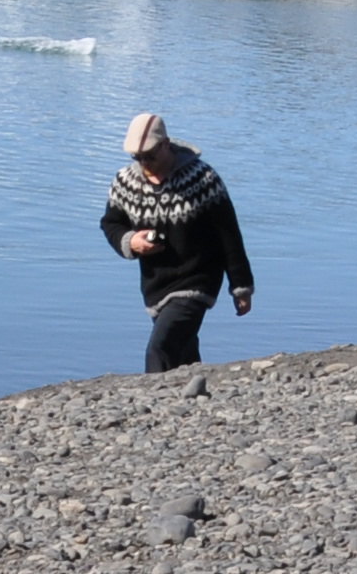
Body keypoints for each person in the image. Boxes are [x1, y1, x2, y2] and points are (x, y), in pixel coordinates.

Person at [100, 110, 253, 375]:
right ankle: (196, 396)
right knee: (183, 351)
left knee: (160, 347)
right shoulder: (125, 182)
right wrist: (131, 241)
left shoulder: (202, 179)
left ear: (165, 145)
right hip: (155, 283)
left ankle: (152, 399)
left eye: (150, 156)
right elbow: (111, 223)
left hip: (197, 279)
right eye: (137, 157)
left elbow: (228, 233)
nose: (144, 163)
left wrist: (241, 286)